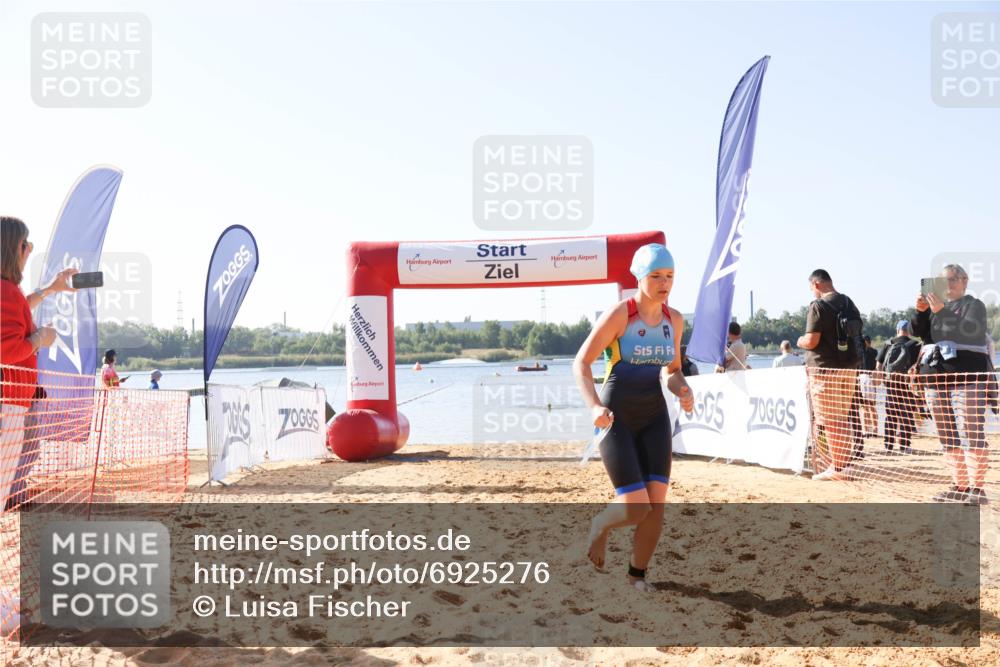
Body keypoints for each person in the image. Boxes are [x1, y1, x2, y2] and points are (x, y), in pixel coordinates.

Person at [572, 243, 693, 592]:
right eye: (655, 276)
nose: (663, 282)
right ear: (639, 278)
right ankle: (600, 524)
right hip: (617, 417)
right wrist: (594, 406)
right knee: (636, 508)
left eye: (669, 276)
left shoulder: (675, 320)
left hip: (654, 416)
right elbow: (581, 363)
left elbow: (672, 371)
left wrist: (683, 389)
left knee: (656, 506)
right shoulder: (620, 315)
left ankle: (637, 576)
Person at [1, 216, 78, 507]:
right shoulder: (6, 290)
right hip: (9, 402)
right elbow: (6, 351)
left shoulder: (6, 290)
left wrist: (51, 288)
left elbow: (17, 306)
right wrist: (40, 339)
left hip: (11, 400)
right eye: (26, 244)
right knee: (11, 467)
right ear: (13, 248)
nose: (30, 250)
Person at [912, 264, 992, 505]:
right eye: (942, 281)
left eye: (952, 280)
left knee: (971, 430)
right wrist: (921, 311)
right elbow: (920, 333)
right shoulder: (936, 308)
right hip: (936, 378)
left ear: (964, 280)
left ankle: (977, 489)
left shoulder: (974, 305)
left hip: (968, 377)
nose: (947, 285)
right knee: (947, 433)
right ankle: (959, 484)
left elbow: (970, 332)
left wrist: (941, 310)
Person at [796, 269, 864, 481]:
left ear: (816, 284)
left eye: (811, 288)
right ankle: (843, 465)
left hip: (825, 370)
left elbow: (812, 341)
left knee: (829, 420)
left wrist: (799, 341)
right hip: (849, 367)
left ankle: (838, 467)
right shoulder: (848, 302)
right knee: (842, 418)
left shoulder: (818, 306)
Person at [876, 320, 921, 454]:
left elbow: (878, 365)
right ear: (909, 330)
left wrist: (883, 380)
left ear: (897, 329)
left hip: (891, 383)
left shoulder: (888, 343)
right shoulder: (915, 344)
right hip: (906, 384)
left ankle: (888, 446)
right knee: (906, 414)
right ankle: (905, 446)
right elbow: (917, 366)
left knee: (890, 414)